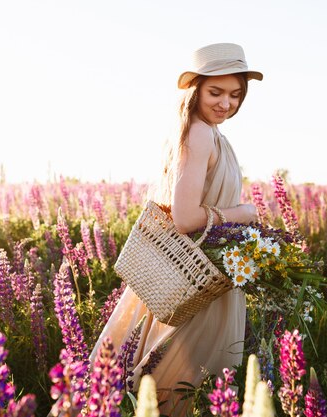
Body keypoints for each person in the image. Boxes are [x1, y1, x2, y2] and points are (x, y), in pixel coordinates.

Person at [90, 42, 263, 415]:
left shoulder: (212, 135)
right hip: (194, 279)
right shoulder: (199, 133)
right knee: (177, 385)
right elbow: (185, 218)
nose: (226, 103)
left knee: (183, 385)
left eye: (235, 94)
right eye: (215, 92)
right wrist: (243, 214)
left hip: (207, 275)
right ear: (196, 89)